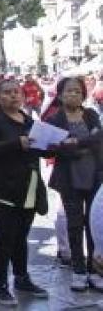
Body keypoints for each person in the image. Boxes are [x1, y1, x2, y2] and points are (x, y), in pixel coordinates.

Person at [0, 78, 49, 305]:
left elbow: (38, 149)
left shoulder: (29, 120)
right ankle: (0, 285)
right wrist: (17, 143)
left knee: (21, 236)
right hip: (0, 188)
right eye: (7, 92)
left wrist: (54, 144)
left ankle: (21, 277)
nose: (13, 96)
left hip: (28, 186)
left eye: (16, 92)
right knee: (4, 236)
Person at [45, 76, 103, 291]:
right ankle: (78, 270)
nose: (73, 95)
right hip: (69, 177)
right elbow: (49, 148)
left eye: (77, 91)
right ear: (60, 95)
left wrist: (75, 142)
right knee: (75, 223)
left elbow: (99, 138)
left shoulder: (91, 114)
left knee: (95, 224)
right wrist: (70, 146)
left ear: (83, 95)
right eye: (69, 91)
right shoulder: (54, 119)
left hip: (95, 174)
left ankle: (95, 269)